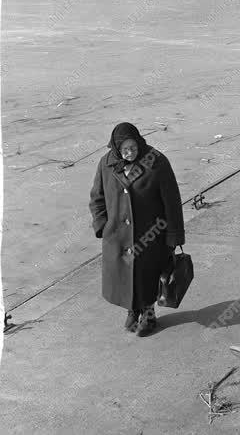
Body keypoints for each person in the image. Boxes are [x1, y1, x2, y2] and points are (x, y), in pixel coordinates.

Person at [89, 122, 185, 337]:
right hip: (117, 237)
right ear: (115, 148)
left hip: (151, 234)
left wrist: (174, 234)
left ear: (140, 143)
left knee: (147, 276)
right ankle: (133, 310)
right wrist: (102, 226)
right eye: (125, 149)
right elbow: (97, 198)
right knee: (125, 277)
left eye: (133, 148)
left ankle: (149, 313)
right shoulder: (106, 163)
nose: (130, 153)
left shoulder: (157, 161)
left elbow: (172, 201)